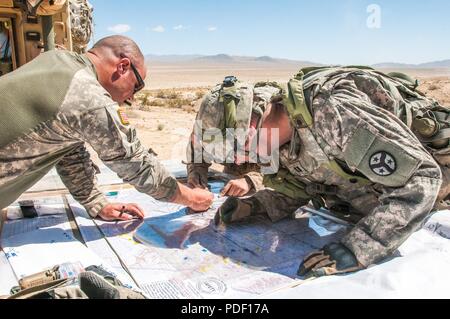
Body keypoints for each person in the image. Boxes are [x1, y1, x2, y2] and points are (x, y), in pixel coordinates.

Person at [215, 66, 449, 278]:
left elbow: (422, 178)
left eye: (240, 147)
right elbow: (303, 185)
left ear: (253, 126)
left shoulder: (332, 113)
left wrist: (359, 247)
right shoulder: (275, 140)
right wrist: (257, 206)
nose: (241, 158)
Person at [0, 35, 213, 221]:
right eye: (136, 86)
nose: (130, 98)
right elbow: (134, 164)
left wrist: (96, 202)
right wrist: (191, 198)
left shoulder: (56, 59)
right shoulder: (87, 95)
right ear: (123, 66)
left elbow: (68, 150)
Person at [187, 76, 282, 197]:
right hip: (233, 172)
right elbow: (197, 153)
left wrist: (251, 181)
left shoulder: (273, 118)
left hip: (268, 176)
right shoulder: (209, 116)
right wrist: (196, 175)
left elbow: (285, 170)